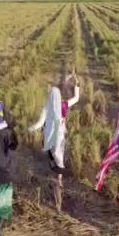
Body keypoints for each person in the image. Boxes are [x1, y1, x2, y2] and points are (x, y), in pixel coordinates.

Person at [28, 74, 80, 212]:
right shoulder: (63, 105)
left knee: (55, 162)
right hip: (60, 138)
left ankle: (57, 182)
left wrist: (29, 129)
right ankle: (59, 184)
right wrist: (76, 85)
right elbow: (76, 98)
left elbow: (39, 124)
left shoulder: (47, 107)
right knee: (59, 163)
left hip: (50, 139)